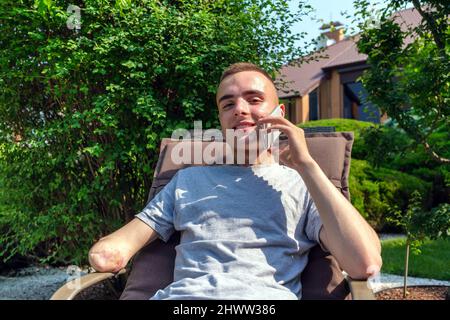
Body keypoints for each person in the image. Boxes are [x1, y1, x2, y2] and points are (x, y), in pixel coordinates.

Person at [88, 62, 382, 300]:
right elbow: (110, 253)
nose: (239, 109)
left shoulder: (304, 186)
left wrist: (307, 165)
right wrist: (106, 255)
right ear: (221, 122)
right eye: (228, 105)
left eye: (254, 100)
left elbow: (364, 263)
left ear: (280, 114)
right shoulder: (186, 181)